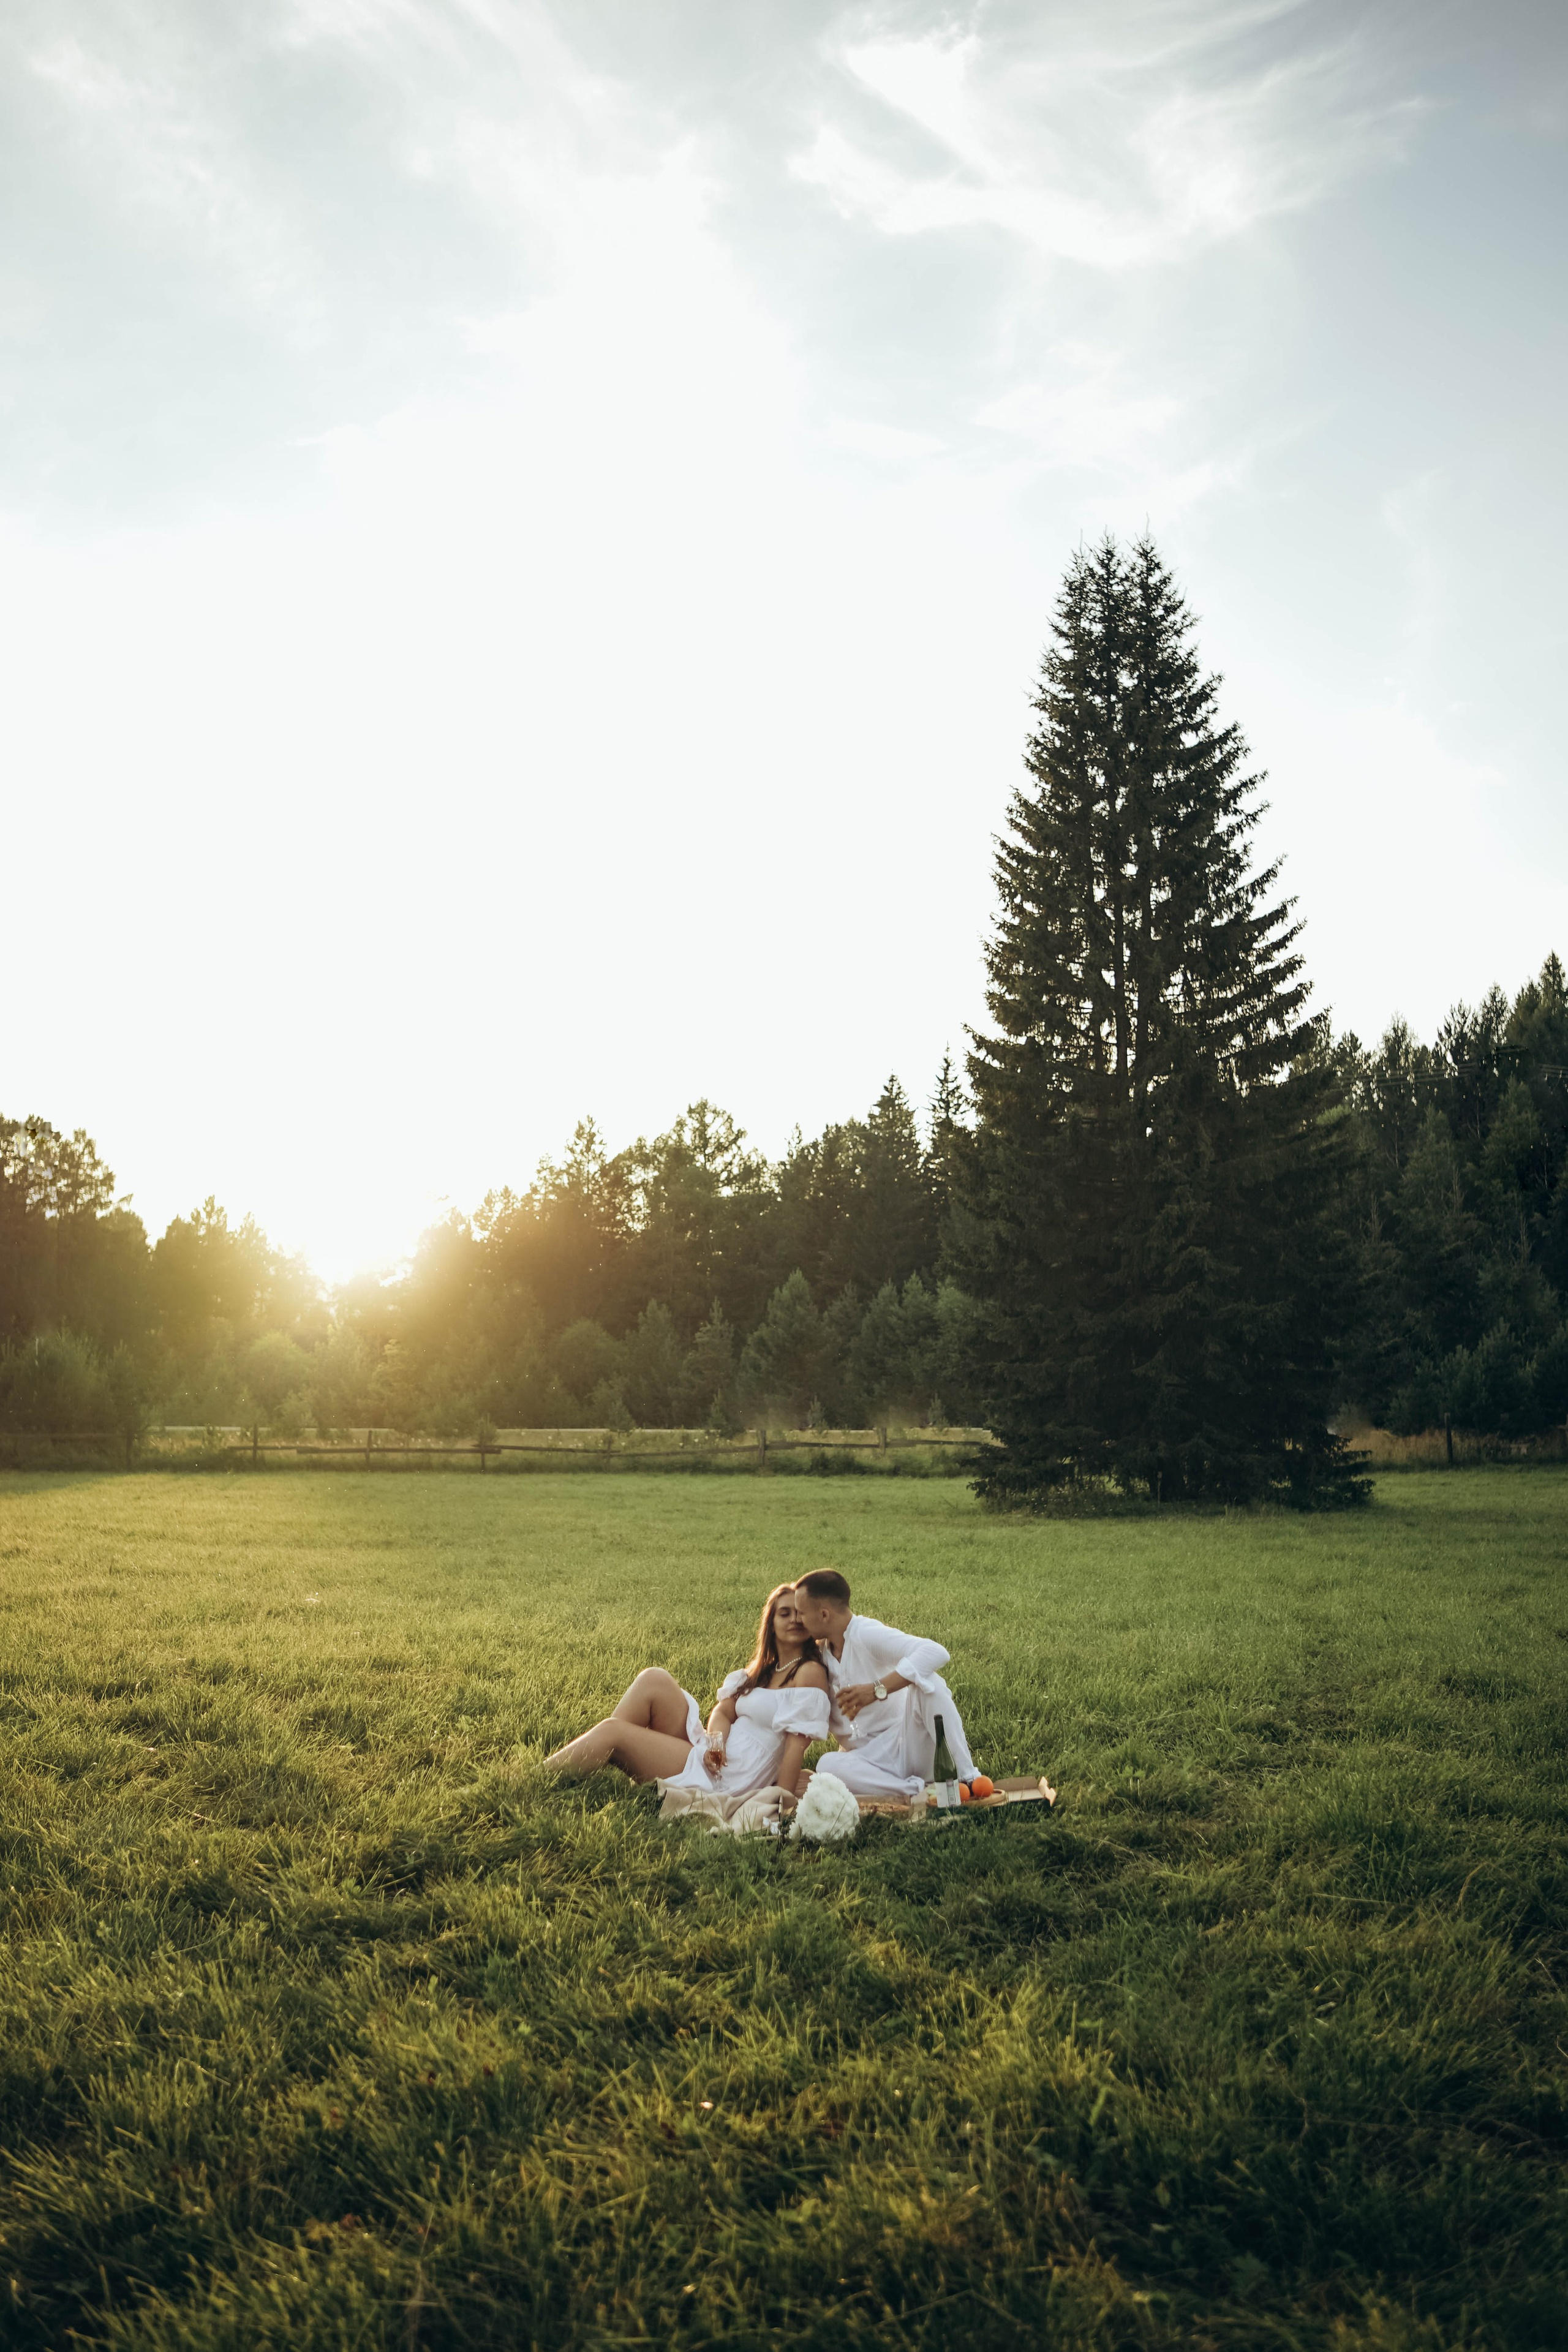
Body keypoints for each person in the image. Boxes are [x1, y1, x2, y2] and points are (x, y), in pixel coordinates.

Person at [542, 1585, 829, 1798]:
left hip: (731, 1778)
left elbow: (795, 1747)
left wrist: (781, 1800)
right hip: (716, 1757)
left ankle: (540, 1777)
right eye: (784, 1613)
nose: (794, 1620)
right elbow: (723, 1712)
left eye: (800, 1614)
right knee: (654, 1679)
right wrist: (716, 1745)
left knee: (613, 1731)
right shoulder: (762, 1671)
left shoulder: (808, 1672)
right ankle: (607, 1757)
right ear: (771, 1624)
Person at [789, 1568, 977, 1802]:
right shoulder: (819, 1657)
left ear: (824, 1614)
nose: (798, 1620)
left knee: (929, 1683)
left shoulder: (865, 1633)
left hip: (910, 1744)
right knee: (827, 1765)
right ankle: (915, 1793)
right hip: (869, 1763)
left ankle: (968, 1778)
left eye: (801, 1613)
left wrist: (876, 1689)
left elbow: (935, 1652)